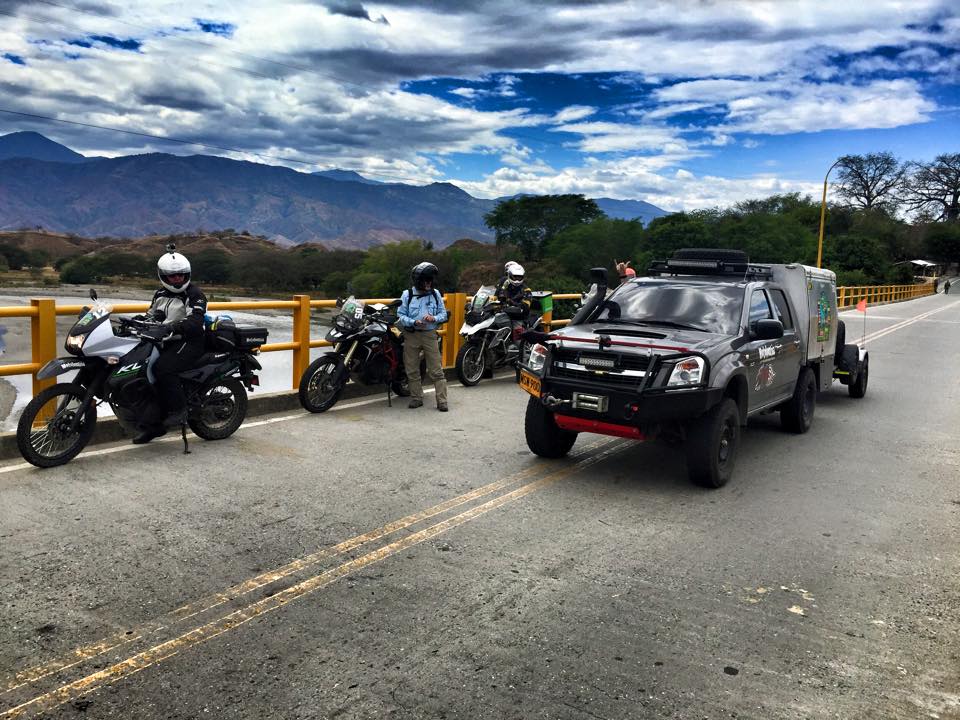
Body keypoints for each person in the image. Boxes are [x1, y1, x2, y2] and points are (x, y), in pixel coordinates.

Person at [133, 245, 208, 444]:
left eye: (181, 275)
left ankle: (179, 410)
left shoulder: (194, 294)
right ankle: (153, 425)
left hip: (189, 342)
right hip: (164, 341)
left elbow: (195, 321)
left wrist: (172, 327)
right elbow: (151, 314)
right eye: (172, 276)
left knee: (162, 369)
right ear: (163, 277)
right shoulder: (159, 294)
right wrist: (134, 321)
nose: (177, 279)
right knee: (142, 373)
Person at [397, 262, 449, 411]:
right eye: (426, 280)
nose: (428, 283)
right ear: (418, 279)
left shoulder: (435, 293)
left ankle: (442, 401)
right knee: (411, 368)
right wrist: (413, 321)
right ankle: (416, 397)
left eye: (430, 280)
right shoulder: (408, 294)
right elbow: (400, 315)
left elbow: (443, 314)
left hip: (429, 335)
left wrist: (435, 319)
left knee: (436, 369)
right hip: (411, 334)